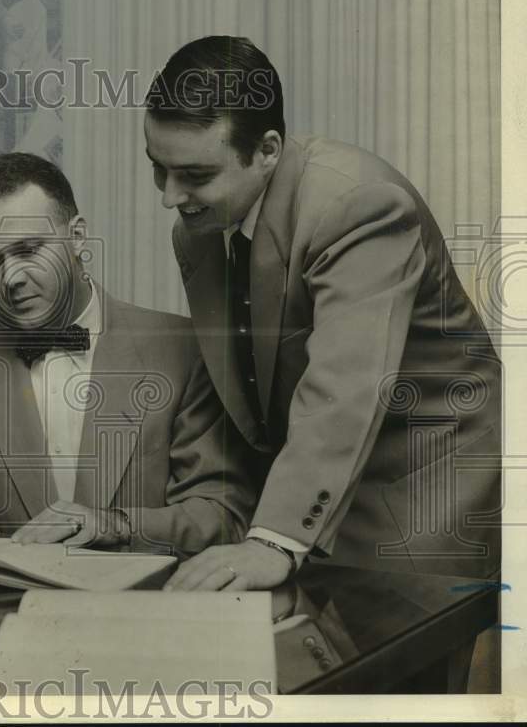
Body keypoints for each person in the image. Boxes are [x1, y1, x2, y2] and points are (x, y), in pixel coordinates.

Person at [141, 36, 502, 590]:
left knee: (394, 664)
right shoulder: (199, 227)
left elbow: (347, 382)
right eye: (158, 169)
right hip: (314, 480)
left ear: (266, 150)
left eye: (194, 175)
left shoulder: (360, 204)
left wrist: (275, 538)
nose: (170, 196)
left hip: (426, 474)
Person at [0, 152, 255, 553]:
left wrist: (116, 525)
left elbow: (221, 515)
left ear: (77, 237)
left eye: (28, 250)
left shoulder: (183, 348)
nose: (11, 278)